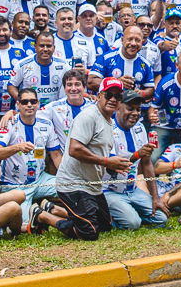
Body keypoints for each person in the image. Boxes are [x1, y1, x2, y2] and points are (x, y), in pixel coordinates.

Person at [52, 78, 132, 241]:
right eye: (108, 95)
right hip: (73, 184)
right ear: (99, 95)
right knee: (89, 233)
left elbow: (99, 154)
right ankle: (45, 217)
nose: (113, 99)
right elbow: (74, 149)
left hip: (93, 185)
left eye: (117, 96)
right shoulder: (89, 116)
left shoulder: (109, 121)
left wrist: (113, 166)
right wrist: (107, 162)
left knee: (105, 226)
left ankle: (56, 210)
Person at [0, 87, 64, 229]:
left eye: (33, 101)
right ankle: (39, 215)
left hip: (40, 180)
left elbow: (55, 154)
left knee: (69, 186)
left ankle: (48, 209)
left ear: (38, 103)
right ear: (18, 104)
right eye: (25, 102)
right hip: (15, 185)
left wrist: (66, 177)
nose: (29, 105)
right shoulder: (9, 123)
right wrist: (17, 147)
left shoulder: (46, 124)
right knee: (23, 225)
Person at [105, 91, 168, 229]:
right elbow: (112, 167)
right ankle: (106, 216)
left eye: (138, 109)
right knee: (133, 223)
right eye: (130, 108)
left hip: (133, 190)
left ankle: (128, 212)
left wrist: (155, 198)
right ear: (118, 108)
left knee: (161, 218)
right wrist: (137, 155)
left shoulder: (140, 127)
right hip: (110, 191)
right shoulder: (108, 129)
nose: (135, 113)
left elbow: (147, 163)